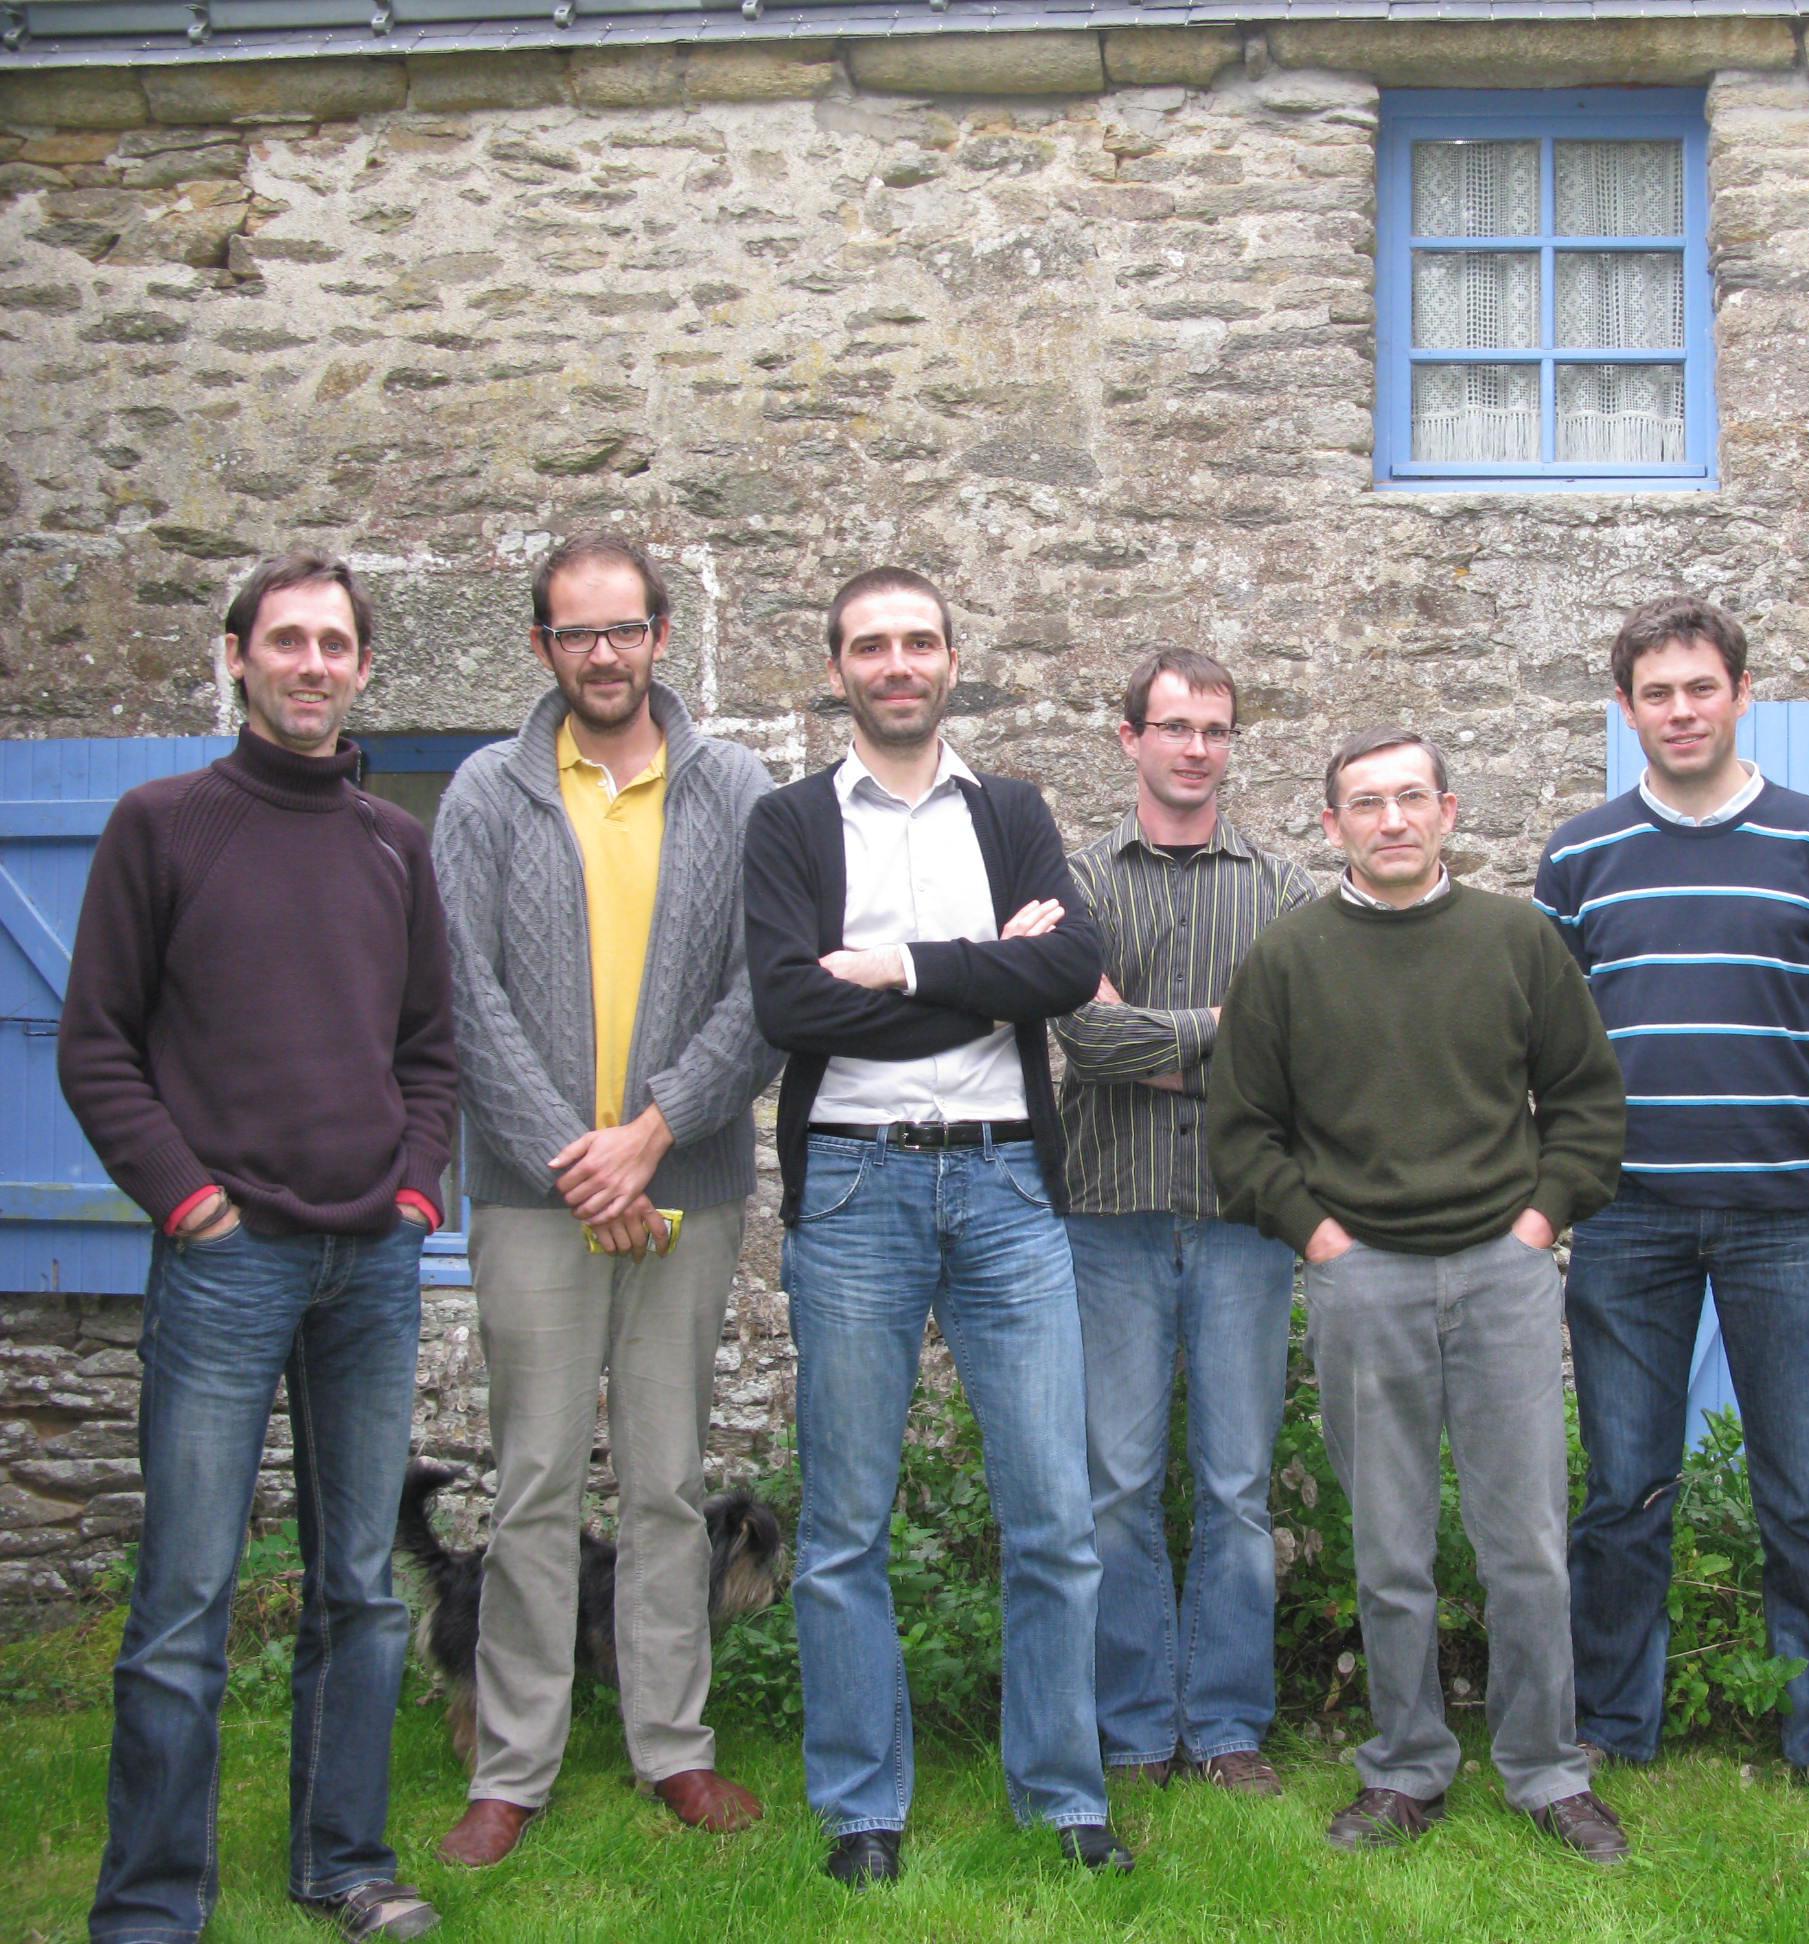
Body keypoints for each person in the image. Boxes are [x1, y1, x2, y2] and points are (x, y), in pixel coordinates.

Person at [60, 552, 455, 1943]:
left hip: (371, 1266)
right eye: (285, 640)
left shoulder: (395, 846)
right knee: (185, 1600)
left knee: (362, 1589)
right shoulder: (162, 826)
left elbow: (430, 1053)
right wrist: (187, 1202)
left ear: (362, 668)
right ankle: (152, 1904)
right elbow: (96, 1046)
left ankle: (345, 1864)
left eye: (334, 644)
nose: (311, 664)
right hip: (225, 1260)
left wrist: (415, 1196)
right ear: (236, 658)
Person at [741, 566, 1124, 1884]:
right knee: (846, 1523)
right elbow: (792, 1008)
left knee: (1054, 1515)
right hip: (855, 1186)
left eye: (919, 641)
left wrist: (903, 966)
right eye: (871, 645)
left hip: (1008, 1183)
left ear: (953, 661)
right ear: (838, 670)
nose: (897, 663)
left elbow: (1068, 970)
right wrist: (988, 976)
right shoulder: (790, 823)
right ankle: (863, 1807)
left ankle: (1064, 1796)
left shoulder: (1011, 812)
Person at [1208, 728, 1631, 1862]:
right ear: (1332, 825)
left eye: (1410, 798)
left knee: (1527, 1543)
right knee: (1390, 1545)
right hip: (1364, 1282)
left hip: (1503, 1272)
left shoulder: (1517, 940)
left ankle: (1547, 1768)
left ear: (1448, 811)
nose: (1390, 820)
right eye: (1365, 803)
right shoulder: (1287, 959)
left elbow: (1587, 1102)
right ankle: (1404, 1766)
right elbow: (1242, 1132)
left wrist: (1539, 1223)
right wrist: (1324, 1240)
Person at [430, 534, 781, 1868]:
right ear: (542, 647)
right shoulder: (485, 791)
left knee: (668, 1482)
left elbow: (766, 987)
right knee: (529, 1480)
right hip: (535, 1198)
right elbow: (460, 992)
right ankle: (512, 1765)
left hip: (684, 1184)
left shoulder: (734, 788)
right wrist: (577, 1161)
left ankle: (672, 1747)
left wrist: (652, 1135)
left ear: (659, 635)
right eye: (575, 633)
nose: (602, 653)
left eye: (623, 628)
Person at [1534, 595, 1809, 1808]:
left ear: (1741, 692)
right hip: (1626, 1214)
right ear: (1625, 708)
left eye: (1701, 688)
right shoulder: (1580, 855)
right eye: (1657, 694)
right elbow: (1549, 1043)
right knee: (1623, 1490)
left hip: (1788, 1212)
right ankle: (1609, 1724)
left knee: (1807, 1491)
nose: (1681, 711)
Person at [1054, 651, 1315, 1794]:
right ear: (1130, 739)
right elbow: (1083, 1038)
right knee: (1114, 1485)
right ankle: (1131, 1727)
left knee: (1236, 1485)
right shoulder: (1076, 885)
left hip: (1241, 1217)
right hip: (1106, 1214)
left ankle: (1226, 1725)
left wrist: (1150, 1037)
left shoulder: (1284, 889)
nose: (1196, 748)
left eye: (1215, 729)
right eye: (1174, 727)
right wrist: (1224, 1026)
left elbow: (1293, 1050)